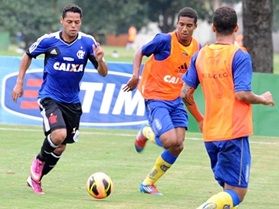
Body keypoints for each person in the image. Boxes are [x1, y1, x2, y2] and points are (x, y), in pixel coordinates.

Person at [181, 6, 274, 209]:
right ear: (236, 28)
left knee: (226, 189)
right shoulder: (239, 55)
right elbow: (241, 94)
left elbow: (185, 93)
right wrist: (263, 98)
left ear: (213, 27)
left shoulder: (200, 55)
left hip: (211, 134)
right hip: (233, 133)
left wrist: (199, 119)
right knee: (237, 193)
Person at [12, 4, 108, 195]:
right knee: (58, 135)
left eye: (77, 22)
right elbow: (27, 56)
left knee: (60, 148)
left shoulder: (88, 43)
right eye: (69, 21)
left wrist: (101, 60)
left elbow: (103, 73)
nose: (73, 25)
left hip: (72, 102)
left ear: (81, 22)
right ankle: (38, 161)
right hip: (49, 97)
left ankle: (35, 179)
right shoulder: (49, 41)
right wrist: (19, 82)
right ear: (62, 21)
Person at [123, 7, 201, 195]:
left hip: (176, 99)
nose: (184, 29)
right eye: (181, 24)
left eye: (188, 26)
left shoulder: (197, 48)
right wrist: (135, 75)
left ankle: (148, 183)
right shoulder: (164, 40)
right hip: (155, 96)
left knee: (178, 145)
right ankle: (147, 131)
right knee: (169, 141)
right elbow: (139, 52)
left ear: (195, 27)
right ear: (177, 24)